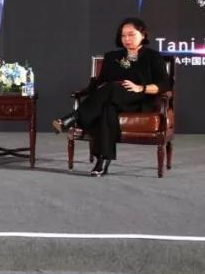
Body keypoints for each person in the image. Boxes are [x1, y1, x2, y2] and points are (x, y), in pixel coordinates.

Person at [52, 17, 170, 177]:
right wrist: (93, 87)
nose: (127, 39)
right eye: (123, 35)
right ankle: (102, 160)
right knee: (107, 108)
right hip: (113, 99)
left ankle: (74, 117)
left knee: (112, 88)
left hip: (140, 100)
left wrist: (140, 87)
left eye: (131, 34)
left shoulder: (153, 56)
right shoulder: (112, 56)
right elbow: (100, 82)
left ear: (143, 35)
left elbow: (164, 85)